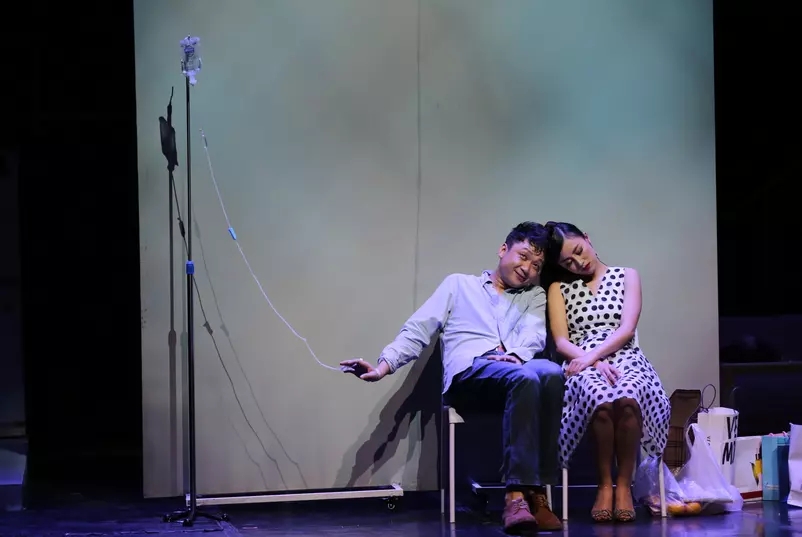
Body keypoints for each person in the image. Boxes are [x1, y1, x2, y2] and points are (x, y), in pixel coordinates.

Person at [341, 222, 564, 534]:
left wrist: (515, 355)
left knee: (551, 372)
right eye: (523, 256)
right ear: (503, 249)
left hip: (517, 370)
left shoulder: (534, 295)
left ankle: (536, 491)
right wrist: (382, 367)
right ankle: (516, 495)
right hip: (470, 373)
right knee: (524, 377)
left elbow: (533, 336)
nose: (527, 268)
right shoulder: (459, 285)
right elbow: (419, 328)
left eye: (536, 265)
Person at [542, 221, 670, 523]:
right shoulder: (559, 289)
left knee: (629, 395)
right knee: (598, 395)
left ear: (587, 238)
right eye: (568, 263)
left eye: (578, 251)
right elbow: (561, 342)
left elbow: (627, 329)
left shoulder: (627, 275)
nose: (578, 263)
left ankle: (624, 486)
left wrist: (595, 356)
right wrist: (592, 362)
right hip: (580, 360)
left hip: (625, 355)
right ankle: (604, 485)